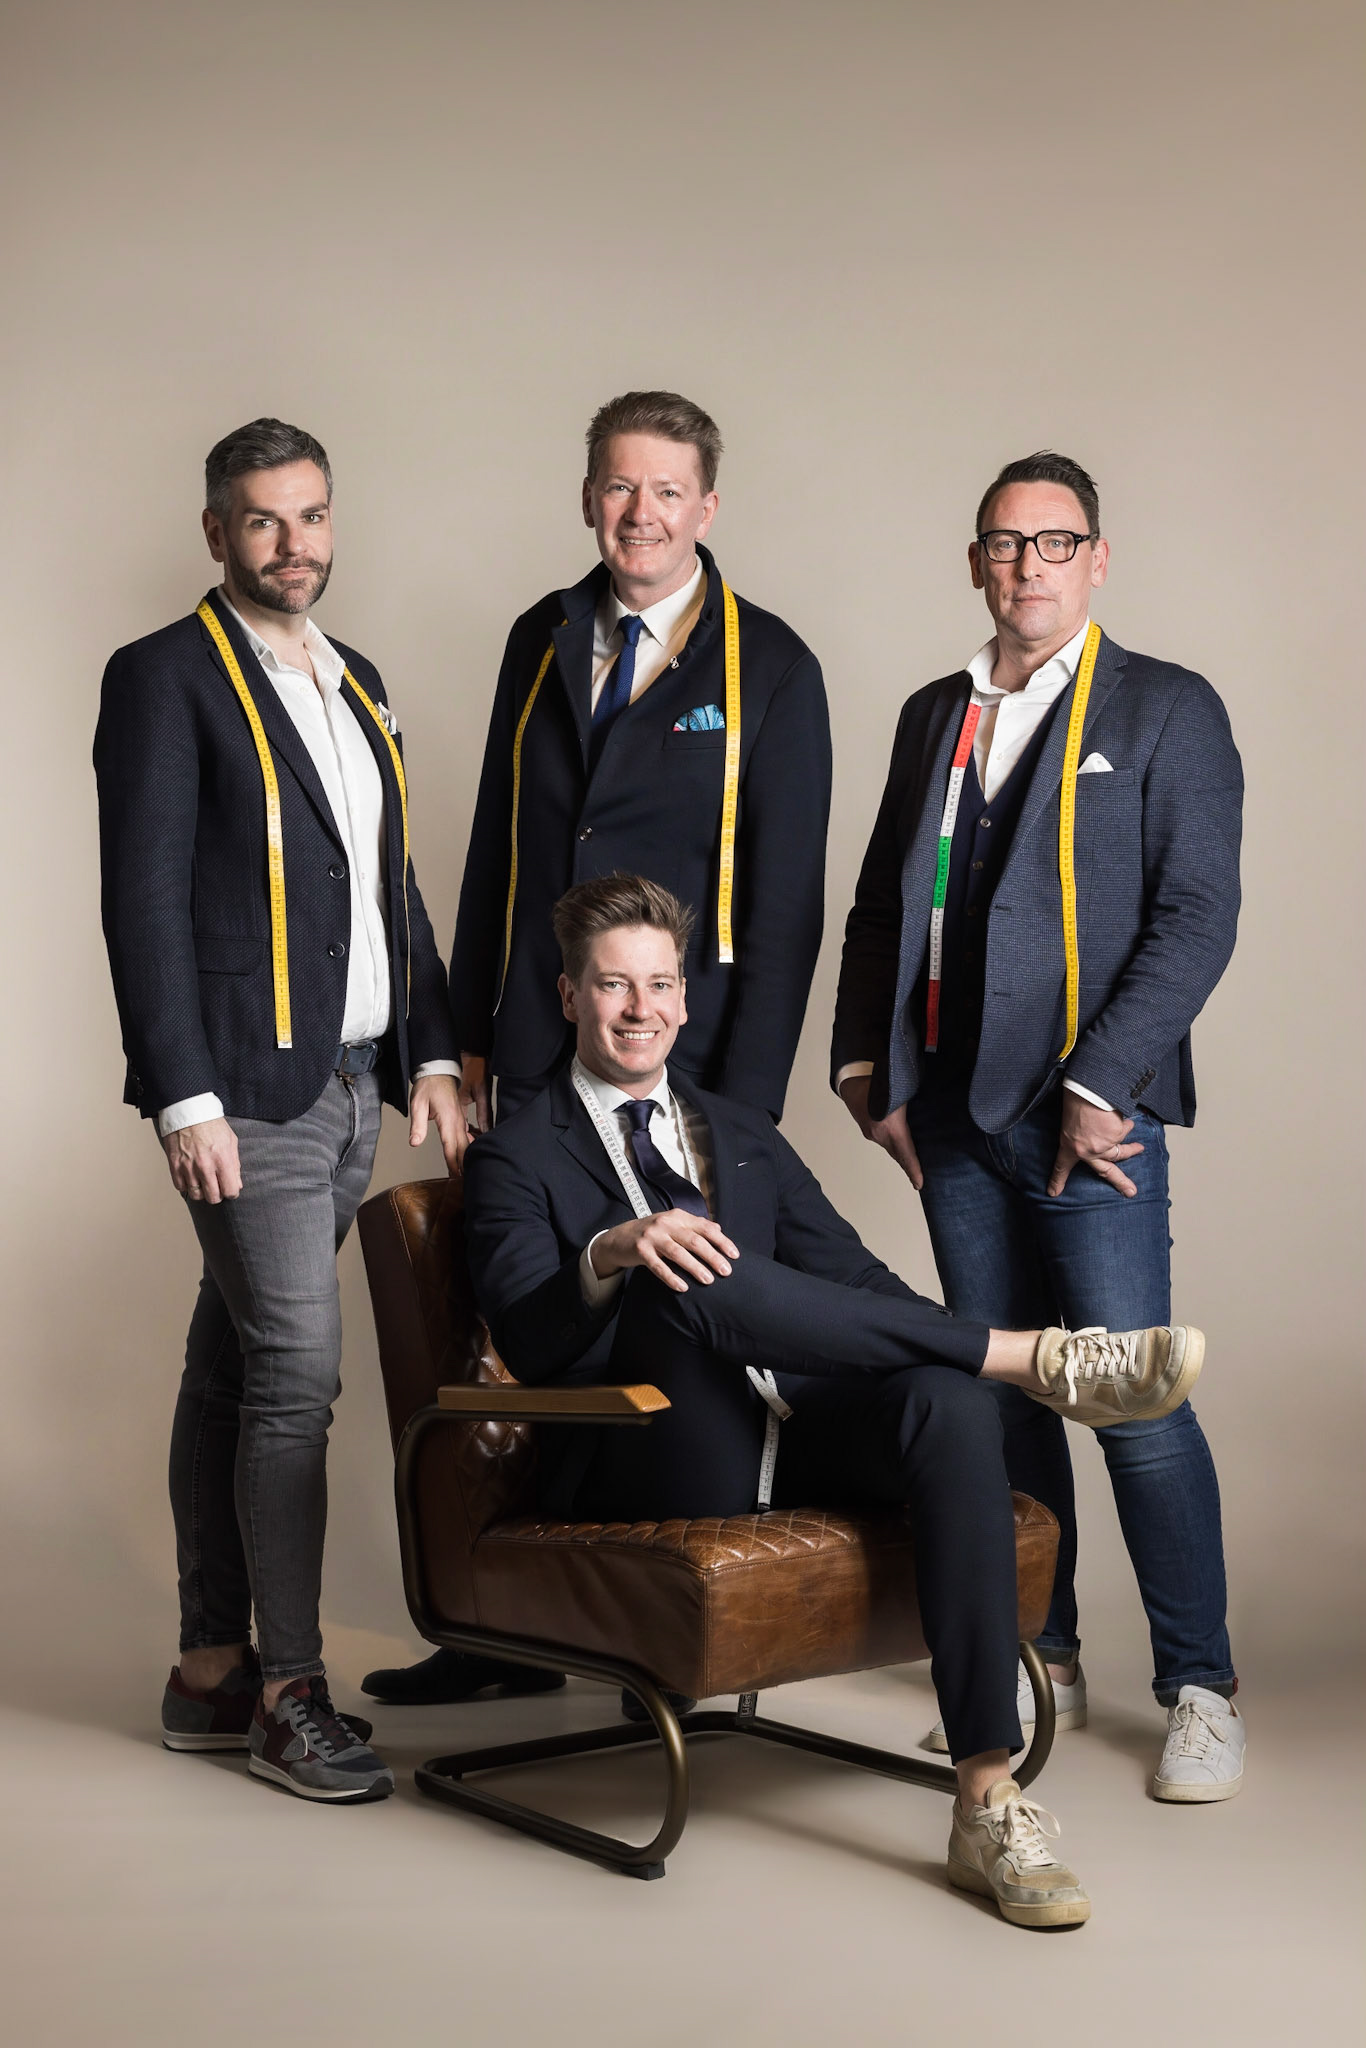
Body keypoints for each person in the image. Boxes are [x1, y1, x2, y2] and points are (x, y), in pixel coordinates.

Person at [461, 873, 1210, 1927]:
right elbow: (531, 1340)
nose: (640, 1008)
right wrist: (613, 1249)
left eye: (660, 984)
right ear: (570, 995)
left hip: (795, 1429)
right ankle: (1033, 1358)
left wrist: (940, 1350)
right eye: (614, 985)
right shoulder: (516, 1150)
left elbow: (859, 1283)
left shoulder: (740, 1130)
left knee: (947, 1404)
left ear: (684, 998)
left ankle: (986, 1795)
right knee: (678, 1265)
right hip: (657, 1449)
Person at [363, 388, 833, 1708]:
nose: (641, 513)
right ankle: (501, 1629)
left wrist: (740, 1117)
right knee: (518, 1328)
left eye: (666, 491)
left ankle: (656, 1629)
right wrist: (458, 1040)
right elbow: (497, 851)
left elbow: (784, 911)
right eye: (620, 487)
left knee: (672, 1323)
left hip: (683, 1063)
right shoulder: (543, 633)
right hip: (536, 1045)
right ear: (587, 497)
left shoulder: (770, 665)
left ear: (707, 507)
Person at [833, 450, 1246, 1802]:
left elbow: (1195, 916)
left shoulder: (1167, 707)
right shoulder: (932, 713)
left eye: (1054, 542)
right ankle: (1040, 1655)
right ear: (974, 562)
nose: (1027, 566)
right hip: (950, 1114)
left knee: (1131, 1399)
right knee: (1008, 1391)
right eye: (1005, 543)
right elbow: (882, 904)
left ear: (1096, 559)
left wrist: (1097, 1083)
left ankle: (1199, 1688)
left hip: (1089, 1120)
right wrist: (861, 1061)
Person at [94, 418, 468, 1804]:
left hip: (358, 1082)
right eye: (262, 519)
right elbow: (141, 900)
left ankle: (208, 1667)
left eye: (310, 515)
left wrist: (431, 1052)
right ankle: (289, 1694)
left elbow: (388, 884)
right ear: (217, 533)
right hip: (245, 1095)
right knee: (298, 1378)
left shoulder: (357, 677)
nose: (291, 542)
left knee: (231, 1367)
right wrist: (182, 1097)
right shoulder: (163, 676)